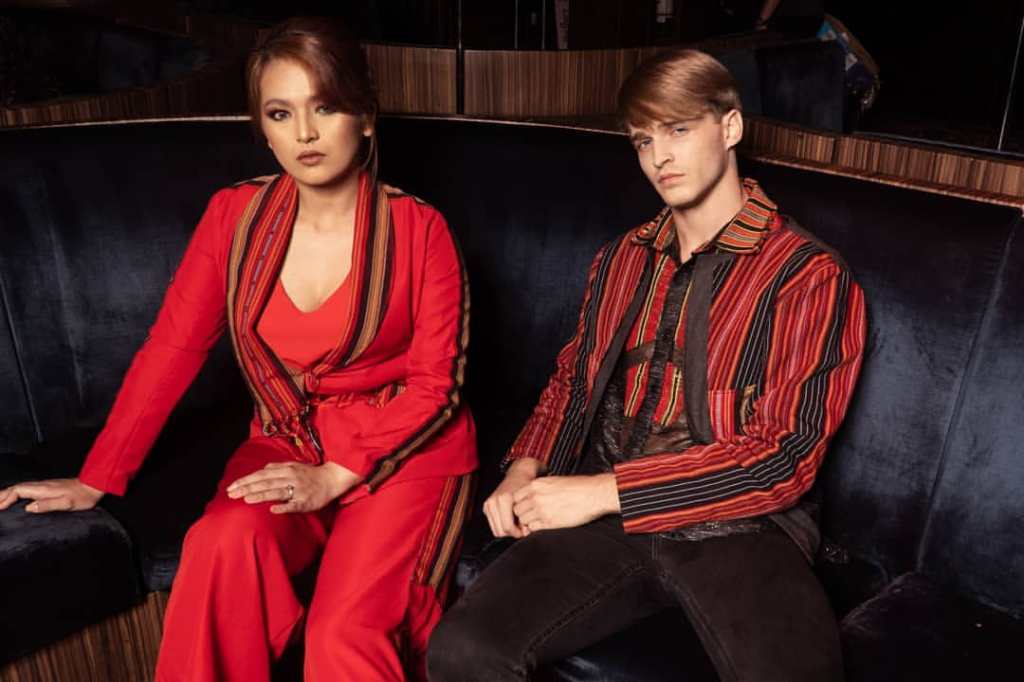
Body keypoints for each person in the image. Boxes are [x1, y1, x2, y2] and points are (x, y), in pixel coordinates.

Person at [0, 17, 476, 682]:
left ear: (365, 118)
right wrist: (96, 476)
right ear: (264, 128)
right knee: (219, 544)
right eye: (281, 113)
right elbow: (172, 348)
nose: (304, 134)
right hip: (286, 442)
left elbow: (435, 386)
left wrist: (337, 475)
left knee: (344, 631)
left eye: (325, 107)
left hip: (403, 455)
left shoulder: (421, 230)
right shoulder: (234, 216)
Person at [428, 47, 865, 682]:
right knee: (461, 650)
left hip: (740, 524)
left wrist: (598, 492)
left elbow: (782, 457)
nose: (659, 156)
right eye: (642, 140)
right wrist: (525, 469)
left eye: (678, 130)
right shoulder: (622, 258)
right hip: (604, 515)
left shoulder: (808, 275)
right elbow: (573, 382)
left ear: (731, 126)